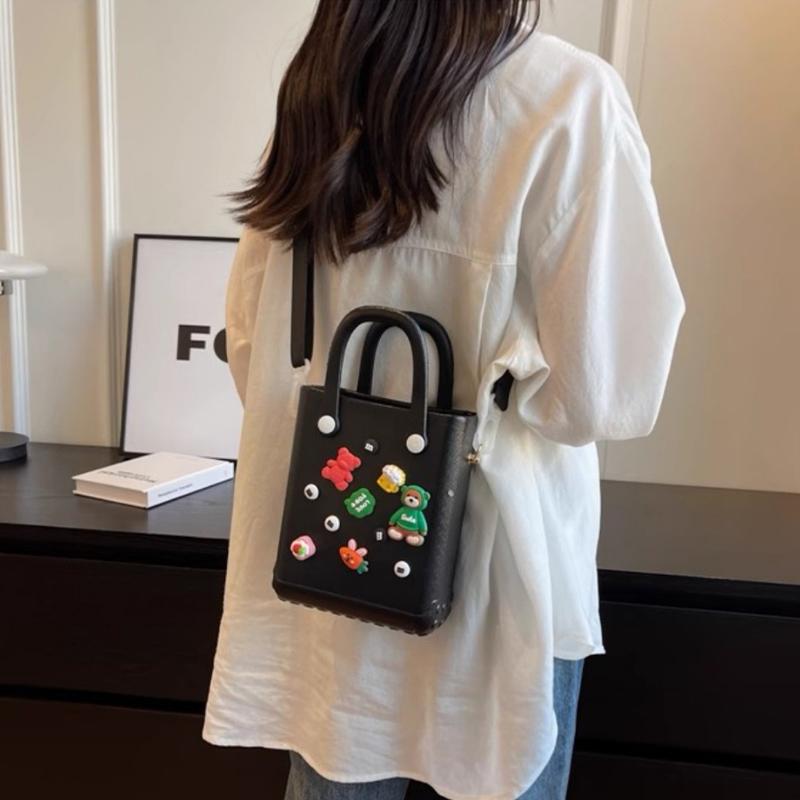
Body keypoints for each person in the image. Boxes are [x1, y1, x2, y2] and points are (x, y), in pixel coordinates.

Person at [202, 2, 686, 799]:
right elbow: (604, 392)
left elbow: (253, 347)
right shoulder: (566, 96)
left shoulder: (322, 90)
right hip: (500, 584)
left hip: (335, 561)